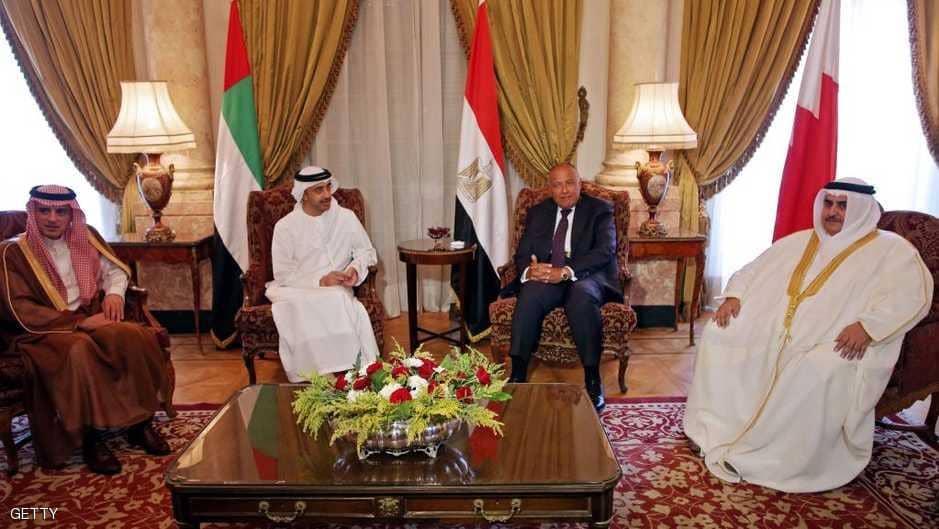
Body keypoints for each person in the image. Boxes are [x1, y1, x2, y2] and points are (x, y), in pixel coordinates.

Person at [683, 177, 933, 493]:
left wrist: (869, 327)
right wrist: (734, 295)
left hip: (844, 342)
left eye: (843, 205)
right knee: (720, 335)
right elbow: (753, 269)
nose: (833, 212)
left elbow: (913, 296)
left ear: (862, 209)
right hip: (778, 330)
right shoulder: (801, 240)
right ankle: (716, 428)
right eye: (828, 203)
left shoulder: (892, 250)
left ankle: (774, 456)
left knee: (814, 369)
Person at [0, 185, 171, 475]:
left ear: (72, 215)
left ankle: (140, 424)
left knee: (133, 336)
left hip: (88, 316)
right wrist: (76, 323)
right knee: (80, 350)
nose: (52, 218)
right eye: (44, 210)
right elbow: (20, 308)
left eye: (61, 211)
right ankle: (90, 437)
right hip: (42, 332)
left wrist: (114, 294)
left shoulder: (85, 236)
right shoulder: (12, 252)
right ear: (33, 212)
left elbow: (114, 270)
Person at [502, 163, 622, 411]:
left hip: (586, 275)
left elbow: (604, 251)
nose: (564, 190)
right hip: (548, 273)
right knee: (530, 293)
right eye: (557, 185)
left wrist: (566, 271)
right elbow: (522, 253)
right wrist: (531, 271)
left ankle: (592, 379)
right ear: (550, 188)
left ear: (580, 184)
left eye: (569, 183)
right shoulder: (538, 212)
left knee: (581, 296)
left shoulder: (600, 209)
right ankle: (518, 374)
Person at [267, 166, 380, 382]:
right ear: (304, 194)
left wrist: (354, 269)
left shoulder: (346, 217)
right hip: (297, 288)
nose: (327, 194)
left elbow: (366, 252)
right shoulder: (285, 227)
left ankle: (348, 372)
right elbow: (282, 274)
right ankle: (325, 375)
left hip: (338, 287)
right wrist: (320, 280)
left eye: (328, 187)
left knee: (336, 297)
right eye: (319, 190)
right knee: (310, 303)